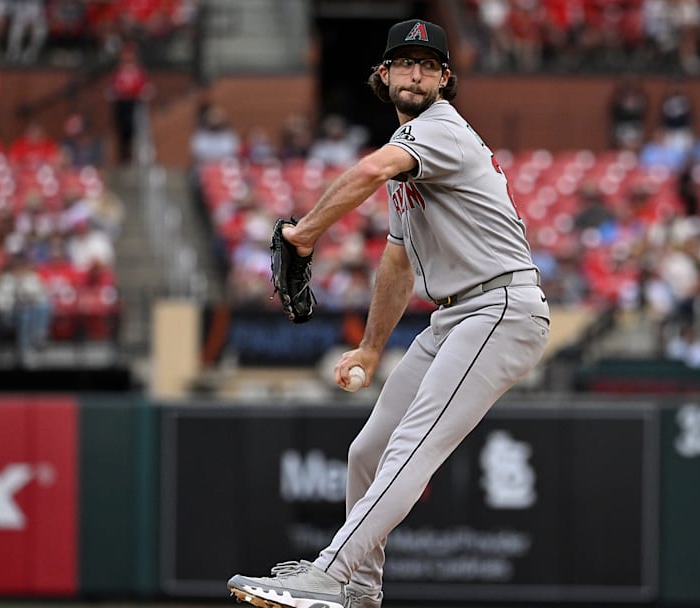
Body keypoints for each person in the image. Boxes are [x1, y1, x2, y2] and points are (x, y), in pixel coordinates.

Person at [226, 19, 550, 608]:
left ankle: (327, 574)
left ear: (445, 80)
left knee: (410, 447)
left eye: (429, 64)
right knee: (366, 453)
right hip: (455, 317)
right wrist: (373, 348)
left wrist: (302, 234)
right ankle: (361, 591)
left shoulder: (441, 130)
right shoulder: (412, 161)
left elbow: (370, 170)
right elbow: (398, 262)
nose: (417, 72)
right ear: (384, 74)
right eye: (406, 62)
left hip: (499, 308)